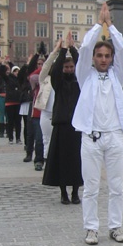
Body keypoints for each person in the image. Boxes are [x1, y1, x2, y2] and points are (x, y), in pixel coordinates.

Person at [72, 2, 123, 245]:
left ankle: (115, 226)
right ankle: (91, 228)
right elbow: (85, 47)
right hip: (91, 137)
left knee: (117, 186)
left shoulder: (118, 75)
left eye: (107, 56)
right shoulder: (85, 75)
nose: (104, 59)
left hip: (115, 136)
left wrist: (112, 27)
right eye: (100, 56)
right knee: (91, 187)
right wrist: (99, 24)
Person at [42, 41, 82, 204]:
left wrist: (73, 49)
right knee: (62, 160)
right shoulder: (57, 82)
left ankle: (75, 192)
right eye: (67, 67)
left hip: (77, 126)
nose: (69, 69)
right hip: (62, 125)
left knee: (77, 161)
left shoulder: (79, 82)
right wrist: (62, 50)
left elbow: (82, 63)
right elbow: (56, 69)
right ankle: (63, 192)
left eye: (71, 67)